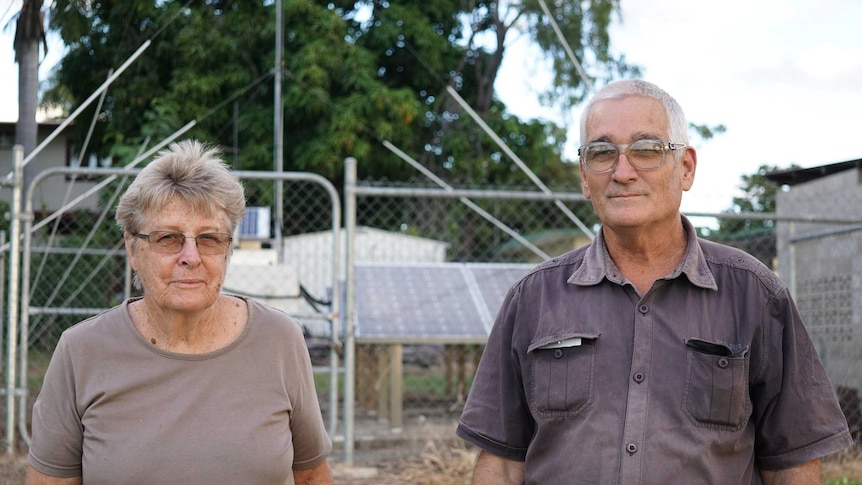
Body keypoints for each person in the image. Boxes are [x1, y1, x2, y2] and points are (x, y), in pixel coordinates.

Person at [456, 79, 852, 484]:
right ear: (583, 176)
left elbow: (792, 461)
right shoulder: (534, 298)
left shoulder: (754, 295)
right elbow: (502, 464)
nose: (622, 172)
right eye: (601, 152)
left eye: (646, 150)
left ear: (685, 167)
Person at [26, 140, 333, 485]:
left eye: (209, 239)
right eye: (169, 238)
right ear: (132, 248)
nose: (191, 256)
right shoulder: (81, 351)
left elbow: (311, 477)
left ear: (228, 249)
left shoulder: (278, 340)